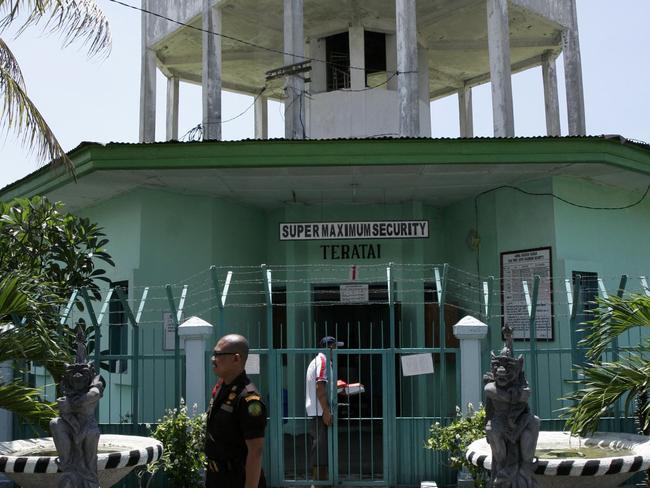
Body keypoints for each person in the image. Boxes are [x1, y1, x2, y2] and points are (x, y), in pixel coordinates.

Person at [205, 334, 267, 488]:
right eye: (213, 354)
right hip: (216, 479)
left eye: (218, 355)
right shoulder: (222, 388)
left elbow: (255, 451)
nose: (213, 359)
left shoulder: (248, 399)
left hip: (237, 479)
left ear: (236, 359)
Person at [305, 336, 343, 486]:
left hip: (318, 410)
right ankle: (317, 482)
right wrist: (326, 411)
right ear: (330, 347)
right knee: (320, 448)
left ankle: (324, 479)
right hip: (319, 411)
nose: (337, 350)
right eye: (336, 346)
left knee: (322, 447)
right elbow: (319, 386)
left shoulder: (318, 361)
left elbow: (323, 385)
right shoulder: (323, 361)